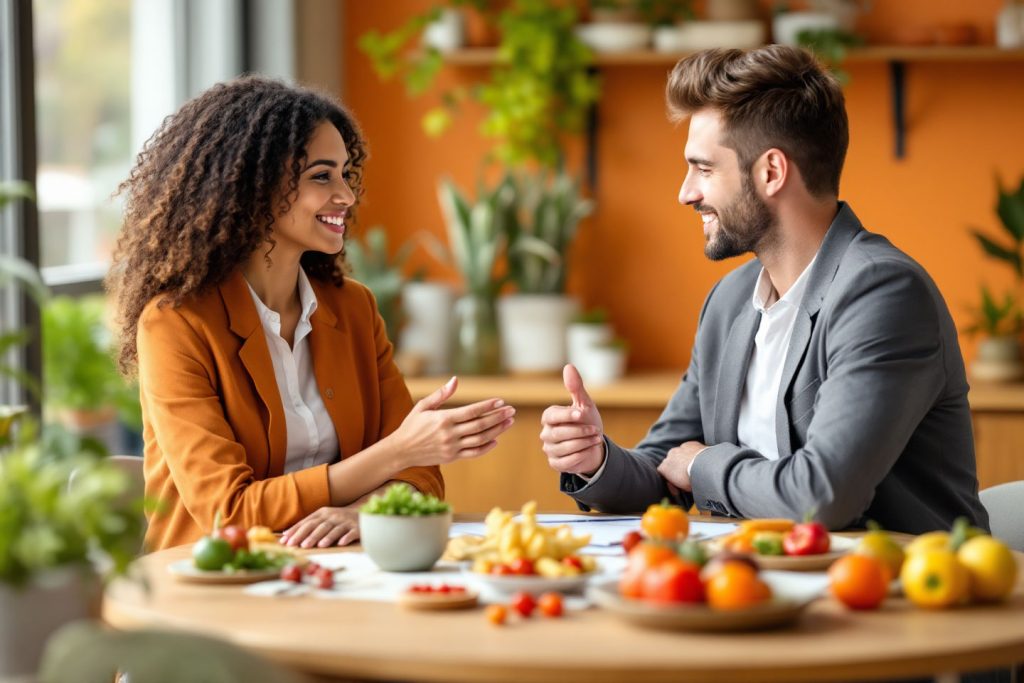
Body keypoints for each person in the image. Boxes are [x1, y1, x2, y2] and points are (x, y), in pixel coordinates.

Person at [540, 46, 989, 534]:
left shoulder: (882, 293)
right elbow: (664, 466)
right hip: (763, 590)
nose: (685, 192)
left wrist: (703, 467)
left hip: (901, 597)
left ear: (771, 172)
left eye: (704, 168)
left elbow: (822, 497)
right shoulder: (730, 303)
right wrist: (596, 460)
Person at [109, 76, 515, 552]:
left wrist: (364, 511)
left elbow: (421, 473)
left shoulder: (354, 308)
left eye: (346, 174)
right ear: (252, 189)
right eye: (322, 177)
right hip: (217, 583)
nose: (345, 195)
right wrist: (395, 452)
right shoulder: (175, 323)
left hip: (340, 574)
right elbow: (228, 511)